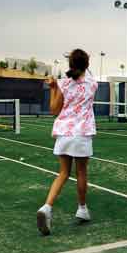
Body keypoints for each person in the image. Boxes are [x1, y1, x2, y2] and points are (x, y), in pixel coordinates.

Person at [36, 48, 98, 236]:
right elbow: (83, 74)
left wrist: (54, 87)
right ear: (86, 65)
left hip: (64, 133)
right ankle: (82, 208)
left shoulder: (63, 85)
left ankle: (47, 207)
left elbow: (54, 109)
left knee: (63, 173)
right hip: (81, 133)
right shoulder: (93, 84)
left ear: (70, 65)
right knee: (81, 172)